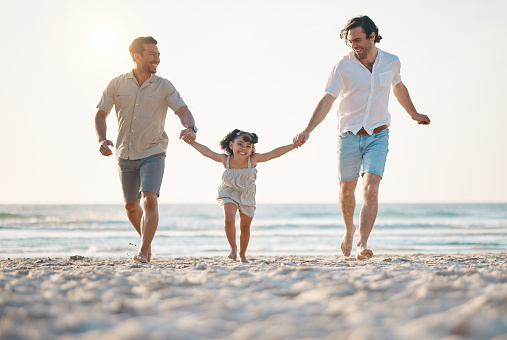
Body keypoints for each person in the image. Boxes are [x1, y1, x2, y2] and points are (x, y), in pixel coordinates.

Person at [294, 16, 430, 260]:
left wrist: (414, 114)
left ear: (371, 36)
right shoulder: (342, 67)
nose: (353, 45)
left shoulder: (391, 62)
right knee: (347, 190)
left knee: (372, 188)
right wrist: (307, 129)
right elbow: (327, 100)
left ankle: (362, 243)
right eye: (350, 41)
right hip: (349, 136)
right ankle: (349, 230)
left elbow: (398, 87)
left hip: (378, 135)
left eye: (357, 39)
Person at [94, 36, 198, 263]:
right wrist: (102, 139)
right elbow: (101, 114)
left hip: (153, 152)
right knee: (131, 207)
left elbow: (182, 110)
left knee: (149, 199)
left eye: (158, 55)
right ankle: (146, 243)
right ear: (137, 56)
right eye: (152, 54)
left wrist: (191, 127)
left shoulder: (164, 86)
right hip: (125, 154)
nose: (157, 59)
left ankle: (143, 251)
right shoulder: (116, 84)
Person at [184, 129, 296, 263]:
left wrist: (293, 145)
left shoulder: (253, 159)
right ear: (231, 145)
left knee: (245, 227)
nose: (244, 149)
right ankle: (233, 248)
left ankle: (242, 254)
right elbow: (207, 152)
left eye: (248, 146)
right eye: (240, 144)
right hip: (229, 192)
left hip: (247, 196)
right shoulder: (225, 159)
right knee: (229, 218)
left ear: (252, 149)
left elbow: (274, 153)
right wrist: (192, 142)